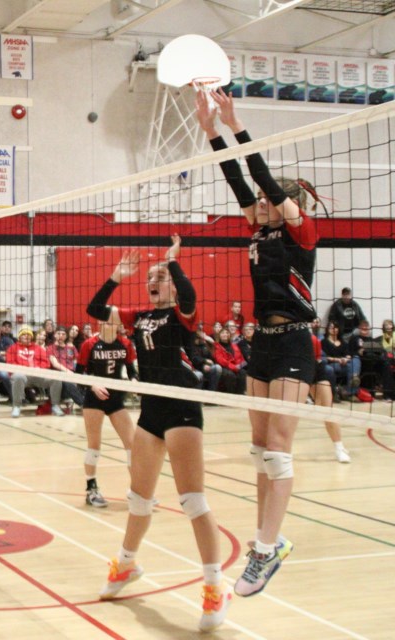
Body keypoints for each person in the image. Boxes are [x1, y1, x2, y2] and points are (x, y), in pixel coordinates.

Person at [199, 88, 320, 598]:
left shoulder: (301, 231)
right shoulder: (259, 229)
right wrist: (210, 130)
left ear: (287, 204)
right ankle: (266, 541)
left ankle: (266, 549)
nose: (261, 204)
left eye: (271, 201)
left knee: (278, 448)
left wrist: (237, 122)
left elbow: (260, 177)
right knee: (258, 450)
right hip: (261, 345)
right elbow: (237, 178)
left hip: (294, 343)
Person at [88, 235, 230, 631]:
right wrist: (116, 277)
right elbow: (95, 308)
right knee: (138, 499)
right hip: (150, 412)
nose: (154, 279)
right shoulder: (138, 316)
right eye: (150, 276)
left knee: (192, 502)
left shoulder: (182, 314)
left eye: (160, 276)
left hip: (182, 409)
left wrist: (174, 262)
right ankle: (126, 566)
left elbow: (188, 295)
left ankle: (216, 588)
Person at [74, 320, 136, 507]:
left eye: (112, 322)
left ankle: (137, 489)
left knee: (132, 444)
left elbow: (132, 372)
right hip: (94, 399)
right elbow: (78, 375)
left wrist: (134, 382)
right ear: (100, 324)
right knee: (94, 445)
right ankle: (91, 489)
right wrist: (92, 384)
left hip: (116, 398)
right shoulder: (89, 344)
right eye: (105, 321)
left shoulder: (125, 344)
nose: (108, 324)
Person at [6, 326, 64, 419]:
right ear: (19, 336)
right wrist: (24, 369)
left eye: (28, 334)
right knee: (18, 377)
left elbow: (46, 363)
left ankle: (55, 405)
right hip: (22, 375)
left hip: (37, 375)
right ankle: (16, 406)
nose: (26, 336)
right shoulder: (12, 348)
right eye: (24, 334)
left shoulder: (38, 348)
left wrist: (38, 368)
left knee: (56, 378)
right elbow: (11, 364)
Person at [310, 330, 350, 463]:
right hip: (295, 372)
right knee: (290, 410)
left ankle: (339, 447)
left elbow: (318, 359)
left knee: (327, 410)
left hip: (315, 369)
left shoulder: (313, 339)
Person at [47, 328, 85, 410]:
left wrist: (77, 373)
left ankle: (94, 403)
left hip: (72, 372)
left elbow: (77, 361)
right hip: (59, 374)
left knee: (88, 378)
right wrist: (69, 372)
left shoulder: (71, 348)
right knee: (68, 381)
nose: (61, 336)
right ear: (55, 335)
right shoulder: (50, 348)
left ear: (66, 336)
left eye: (63, 334)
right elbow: (55, 364)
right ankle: (83, 404)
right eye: (59, 333)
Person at [322, 321, 356, 400]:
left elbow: (348, 354)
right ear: (327, 329)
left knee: (355, 360)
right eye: (331, 327)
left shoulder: (343, 342)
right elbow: (325, 357)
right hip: (331, 364)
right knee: (332, 369)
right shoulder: (324, 342)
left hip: (344, 364)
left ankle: (350, 391)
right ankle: (335, 393)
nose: (334, 329)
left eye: (336, 327)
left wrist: (345, 359)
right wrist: (338, 360)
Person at [214, 327, 247, 394]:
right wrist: (234, 367)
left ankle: (240, 395)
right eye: (223, 333)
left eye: (227, 333)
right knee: (230, 375)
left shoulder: (234, 345)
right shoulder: (216, 346)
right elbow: (221, 360)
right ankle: (232, 395)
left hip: (236, 366)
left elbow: (240, 357)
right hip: (224, 367)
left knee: (243, 373)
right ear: (219, 335)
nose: (225, 334)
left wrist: (239, 366)